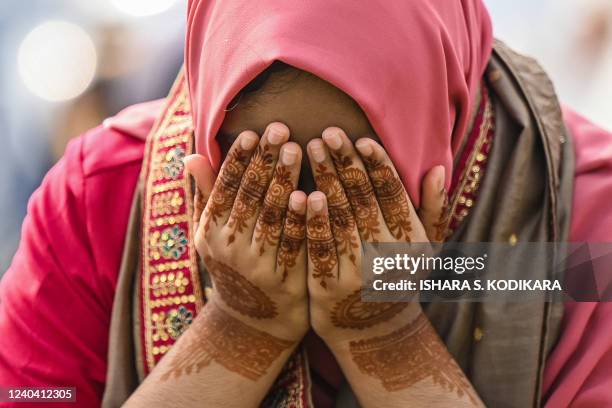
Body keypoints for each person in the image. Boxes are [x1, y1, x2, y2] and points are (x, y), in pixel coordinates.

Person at [1, 0, 612, 407]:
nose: (312, 226)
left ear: (440, 125)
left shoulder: (579, 233)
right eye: (256, 179)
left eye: (362, 182)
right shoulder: (98, 199)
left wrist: (385, 334)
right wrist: (239, 329)